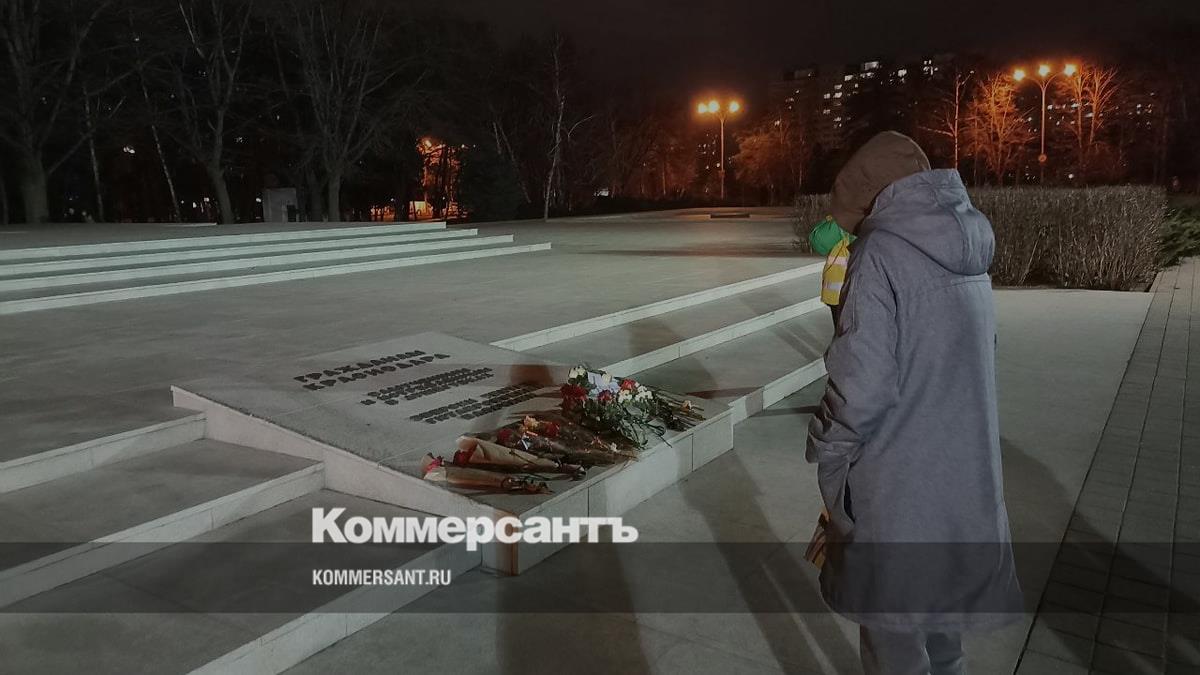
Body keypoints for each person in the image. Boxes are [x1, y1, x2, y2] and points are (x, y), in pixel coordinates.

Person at [806, 131, 1022, 675]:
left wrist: (827, 447)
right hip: (960, 469)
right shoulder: (969, 246)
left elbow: (861, 387)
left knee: (894, 639)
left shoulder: (879, 254)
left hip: (896, 479)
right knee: (943, 629)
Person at [808, 215, 854, 327]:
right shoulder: (842, 219)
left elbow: (819, 241)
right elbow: (818, 242)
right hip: (842, 293)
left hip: (848, 292)